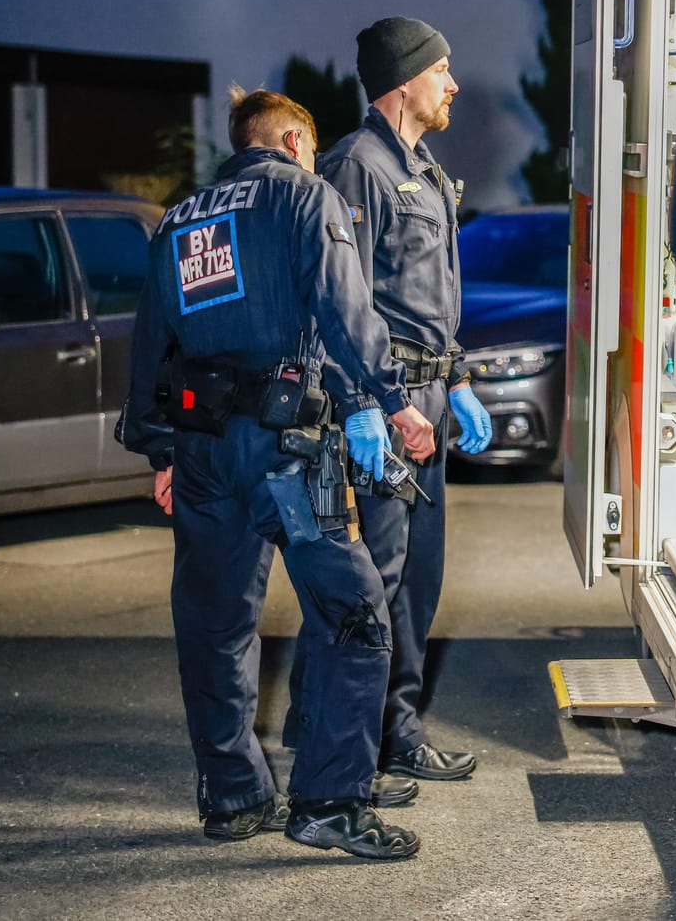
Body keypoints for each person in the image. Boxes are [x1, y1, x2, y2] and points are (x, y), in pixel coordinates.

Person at [123, 87, 438, 859]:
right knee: (356, 610)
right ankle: (330, 803)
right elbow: (345, 309)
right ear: (296, 142)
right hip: (289, 454)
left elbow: (150, 342)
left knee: (215, 622)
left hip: (201, 453)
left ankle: (233, 796)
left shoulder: (181, 218)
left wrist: (159, 449)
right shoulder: (306, 197)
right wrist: (392, 402)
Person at [284, 17, 492, 784]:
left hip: (429, 396)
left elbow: (430, 298)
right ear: (405, 81)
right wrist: (361, 402)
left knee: (417, 578)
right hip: (386, 400)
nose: (454, 85)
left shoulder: (424, 170)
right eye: (443, 71)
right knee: (373, 580)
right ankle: (352, 738)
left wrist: (460, 380)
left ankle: (382, 726)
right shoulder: (356, 167)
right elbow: (340, 303)